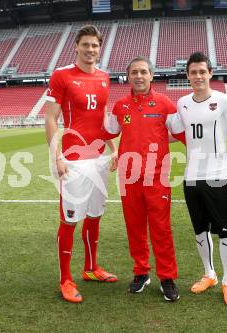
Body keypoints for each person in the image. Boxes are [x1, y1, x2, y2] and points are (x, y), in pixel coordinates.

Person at [45, 25, 118, 303]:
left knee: (95, 215)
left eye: (95, 45)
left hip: (99, 158)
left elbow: (103, 116)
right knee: (69, 220)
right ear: (76, 46)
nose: (90, 50)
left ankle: (91, 268)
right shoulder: (62, 75)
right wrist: (57, 156)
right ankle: (65, 279)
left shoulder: (104, 77)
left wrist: (113, 149)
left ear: (100, 48)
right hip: (74, 161)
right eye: (86, 44)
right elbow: (51, 119)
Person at [172, 52, 227, 305]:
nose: (198, 76)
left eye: (202, 71)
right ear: (187, 76)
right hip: (191, 178)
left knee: (224, 233)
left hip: (218, 177)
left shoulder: (225, 101)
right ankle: (209, 274)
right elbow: (173, 133)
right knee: (199, 231)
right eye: (193, 72)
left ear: (210, 73)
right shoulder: (182, 103)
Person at [104, 56, 180, 301]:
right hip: (129, 177)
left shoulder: (165, 103)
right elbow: (108, 131)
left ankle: (167, 277)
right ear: (128, 76)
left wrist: (158, 141)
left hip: (157, 177)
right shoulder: (120, 106)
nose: (139, 76)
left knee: (161, 228)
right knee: (135, 227)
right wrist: (114, 151)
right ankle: (141, 272)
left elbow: (179, 133)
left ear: (151, 76)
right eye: (134, 72)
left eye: (143, 72)